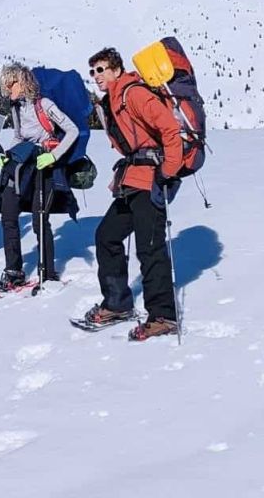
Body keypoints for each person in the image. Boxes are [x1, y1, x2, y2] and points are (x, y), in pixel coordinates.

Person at [84, 47, 184, 341]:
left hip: (151, 179)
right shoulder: (113, 100)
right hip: (131, 181)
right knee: (107, 236)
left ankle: (163, 316)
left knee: (150, 247)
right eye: (93, 72)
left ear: (116, 69)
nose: (96, 76)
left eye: (101, 70)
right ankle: (117, 303)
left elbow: (169, 129)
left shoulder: (133, 94)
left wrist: (169, 170)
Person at [0, 64, 79, 292]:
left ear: (23, 83)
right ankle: (14, 271)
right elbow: (19, 136)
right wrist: (7, 156)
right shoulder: (16, 108)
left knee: (40, 220)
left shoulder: (45, 105)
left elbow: (72, 131)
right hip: (22, 167)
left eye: (12, 83)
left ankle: (48, 273)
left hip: (43, 167)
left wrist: (53, 156)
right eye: (6, 84)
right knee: (8, 215)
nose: (8, 88)